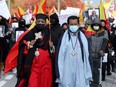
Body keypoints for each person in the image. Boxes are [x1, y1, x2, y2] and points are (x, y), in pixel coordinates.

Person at [15, 14, 55, 87]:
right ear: (35, 22)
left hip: (46, 65)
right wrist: (29, 44)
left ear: (45, 23)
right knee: (33, 83)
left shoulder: (50, 34)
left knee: (45, 84)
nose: (40, 23)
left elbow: (57, 51)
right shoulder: (29, 33)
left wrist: (52, 47)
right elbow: (22, 46)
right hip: (33, 65)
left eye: (42, 21)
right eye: (38, 21)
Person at [56, 16, 92, 87]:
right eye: (71, 24)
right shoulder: (63, 38)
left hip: (80, 69)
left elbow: (88, 55)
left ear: (78, 24)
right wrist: (58, 73)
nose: (73, 26)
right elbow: (59, 56)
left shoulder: (83, 38)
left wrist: (89, 69)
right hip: (67, 70)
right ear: (68, 25)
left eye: (75, 24)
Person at [88, 18, 108, 86]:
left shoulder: (104, 32)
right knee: (90, 69)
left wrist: (102, 49)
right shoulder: (90, 32)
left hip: (99, 54)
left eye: (97, 25)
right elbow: (87, 42)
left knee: (97, 70)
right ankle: (90, 82)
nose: (96, 26)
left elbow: (105, 41)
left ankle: (96, 83)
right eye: (94, 25)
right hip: (90, 54)